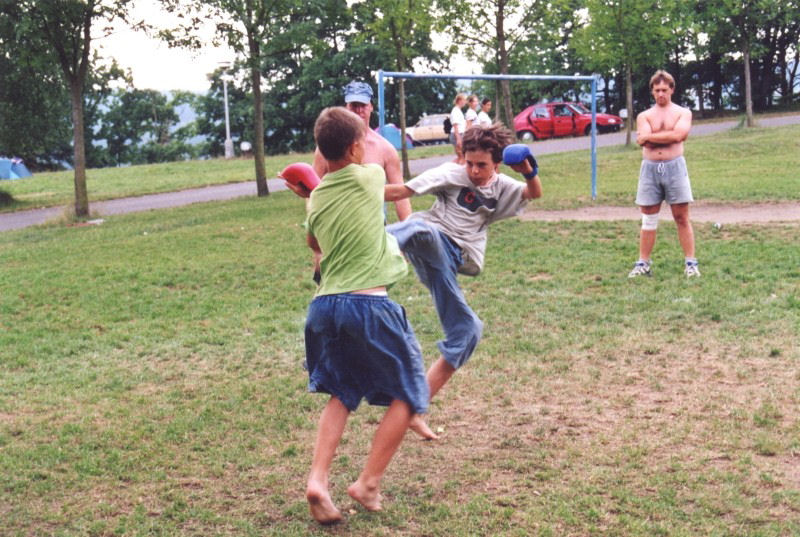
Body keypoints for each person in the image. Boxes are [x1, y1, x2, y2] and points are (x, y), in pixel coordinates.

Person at [301, 107, 429, 524]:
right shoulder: (370, 175)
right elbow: (394, 189)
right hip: (369, 304)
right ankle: (367, 483)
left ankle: (317, 480)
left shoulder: (318, 197)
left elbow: (313, 242)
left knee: (341, 392)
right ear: (358, 148)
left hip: (324, 306)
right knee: (410, 392)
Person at [383, 124, 542, 439]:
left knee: (468, 332)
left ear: (497, 164)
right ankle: (368, 244)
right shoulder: (451, 174)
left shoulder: (502, 187)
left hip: (451, 261)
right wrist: (349, 191)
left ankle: (415, 408)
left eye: (482, 165)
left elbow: (533, 193)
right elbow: (402, 191)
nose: (474, 171)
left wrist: (529, 171)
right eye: (469, 163)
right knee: (421, 228)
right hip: (428, 240)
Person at [629, 70, 698, 278]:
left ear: (672, 90)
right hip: (650, 169)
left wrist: (651, 137)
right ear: (652, 91)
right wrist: (665, 137)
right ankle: (643, 264)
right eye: (657, 90)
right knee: (648, 218)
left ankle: (691, 264)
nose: (661, 94)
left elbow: (679, 135)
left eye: (664, 90)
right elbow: (643, 141)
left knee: (681, 216)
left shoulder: (682, 113)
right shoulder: (644, 116)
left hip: (675, 167)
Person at [312, 80, 411, 222]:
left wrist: (409, 227)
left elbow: (400, 196)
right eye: (354, 105)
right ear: (346, 107)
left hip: (374, 227)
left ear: (371, 107)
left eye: (363, 105)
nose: (359, 111)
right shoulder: (328, 145)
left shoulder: (385, 149)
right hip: (338, 225)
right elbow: (313, 190)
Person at [449, 93, 468, 164]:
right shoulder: (455, 111)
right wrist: (458, 139)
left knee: (461, 157)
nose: (465, 102)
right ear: (460, 101)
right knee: (462, 157)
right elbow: (455, 126)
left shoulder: (458, 110)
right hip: (457, 135)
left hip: (459, 134)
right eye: (464, 100)